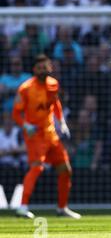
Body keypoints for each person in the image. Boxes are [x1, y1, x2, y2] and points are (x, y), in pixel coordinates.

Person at [12, 54, 81, 219]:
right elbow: (15, 113)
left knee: (65, 169)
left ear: (50, 68)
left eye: (45, 67)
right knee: (36, 167)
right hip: (34, 135)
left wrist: (62, 121)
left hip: (51, 133)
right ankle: (22, 207)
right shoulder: (25, 88)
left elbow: (55, 103)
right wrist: (25, 125)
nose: (43, 70)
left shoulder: (53, 84)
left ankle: (62, 208)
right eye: (39, 68)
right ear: (34, 69)